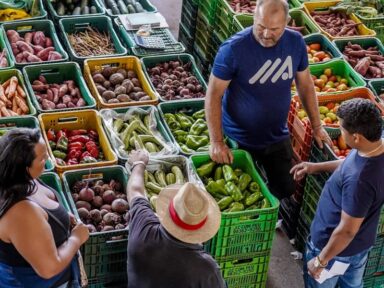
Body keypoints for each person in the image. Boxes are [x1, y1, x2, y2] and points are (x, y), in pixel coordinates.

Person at [205, 0, 331, 202]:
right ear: (254, 17)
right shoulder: (234, 49)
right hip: (237, 137)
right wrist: (217, 142)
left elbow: (305, 85)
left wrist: (317, 126)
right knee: (239, 195)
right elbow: (213, 95)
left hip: (275, 135)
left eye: (274, 29)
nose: (265, 34)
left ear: (287, 22)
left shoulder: (295, 43)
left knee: (286, 187)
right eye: (261, 26)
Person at [290, 99, 384, 288]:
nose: (341, 133)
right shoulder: (374, 147)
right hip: (360, 246)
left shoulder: (361, 181)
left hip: (334, 250)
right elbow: (350, 164)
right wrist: (316, 167)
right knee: (353, 285)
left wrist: (320, 261)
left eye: (342, 130)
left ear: (357, 137)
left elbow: (347, 230)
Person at [0, 128, 89, 288]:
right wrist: (76, 238)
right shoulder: (21, 212)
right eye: (42, 158)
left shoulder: (22, 179)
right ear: (25, 168)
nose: (48, 158)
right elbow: (49, 268)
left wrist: (61, 216)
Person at [126, 149, 226, 288]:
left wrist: (139, 163)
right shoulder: (206, 269)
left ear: (167, 211)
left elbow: (135, 190)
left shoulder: (143, 231)